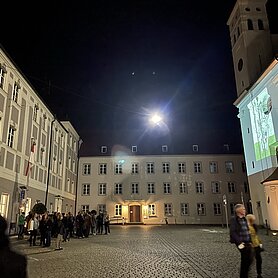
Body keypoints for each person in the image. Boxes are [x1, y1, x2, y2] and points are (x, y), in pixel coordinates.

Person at [230, 204, 254, 278]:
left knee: (250, 258)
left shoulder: (244, 219)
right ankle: (244, 275)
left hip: (247, 242)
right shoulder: (234, 220)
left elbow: (247, 230)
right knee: (245, 258)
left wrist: (250, 240)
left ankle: (244, 274)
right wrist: (239, 242)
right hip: (241, 243)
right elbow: (233, 232)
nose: (244, 210)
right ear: (238, 211)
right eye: (243, 209)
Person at [246, 214, 263, 278]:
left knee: (257, 259)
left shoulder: (252, 226)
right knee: (252, 260)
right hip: (253, 246)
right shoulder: (249, 227)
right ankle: (248, 272)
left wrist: (260, 242)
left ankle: (259, 273)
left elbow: (255, 236)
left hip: (256, 245)